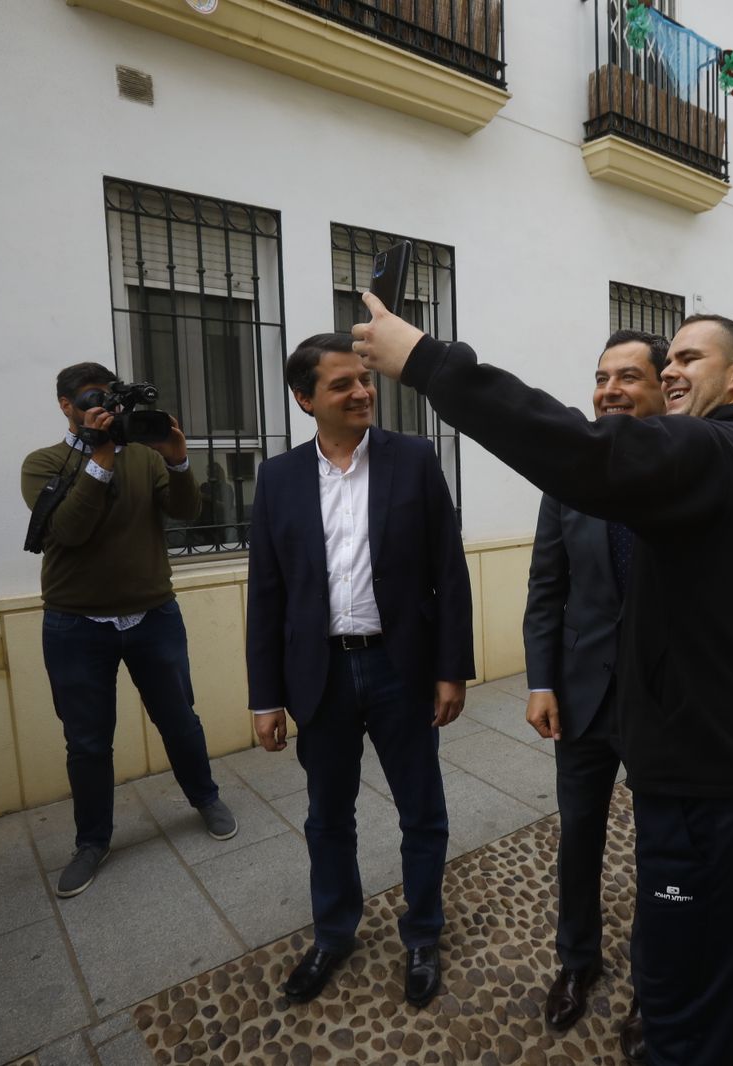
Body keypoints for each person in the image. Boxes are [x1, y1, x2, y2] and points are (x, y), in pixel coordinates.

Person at [354, 301, 733, 1066]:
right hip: (710, 763)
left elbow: (580, 449)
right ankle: (582, 960)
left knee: (680, 1012)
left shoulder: (713, 450)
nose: (671, 371)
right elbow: (563, 581)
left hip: (705, 785)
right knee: (728, 987)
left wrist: (429, 362)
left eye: (686, 360)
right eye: (668, 360)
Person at [245, 333, 473, 1010]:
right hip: (321, 676)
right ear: (304, 399)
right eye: (341, 384)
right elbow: (267, 594)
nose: (362, 392)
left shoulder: (414, 459)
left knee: (422, 812)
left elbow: (449, 571)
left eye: (363, 380)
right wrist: (265, 696)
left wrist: (452, 669)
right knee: (327, 817)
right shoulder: (279, 479)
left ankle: (423, 935)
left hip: (401, 670)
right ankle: (333, 933)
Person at [21, 362, 237, 899]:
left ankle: (206, 798)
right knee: (88, 742)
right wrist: (99, 459)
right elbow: (68, 531)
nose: (104, 408)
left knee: (180, 720)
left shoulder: (143, 456)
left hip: (152, 615)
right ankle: (92, 841)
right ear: (65, 406)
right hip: (75, 624)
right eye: (90, 399)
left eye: (109, 398)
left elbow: (186, 511)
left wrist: (179, 460)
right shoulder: (43, 463)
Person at [523, 330, 668, 1045]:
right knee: (579, 836)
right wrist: (541, 682)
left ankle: (654, 986)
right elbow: (546, 588)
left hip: (663, 700)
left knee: (661, 849)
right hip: (581, 696)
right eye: (603, 377)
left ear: (664, 388)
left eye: (628, 377)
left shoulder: (686, 469)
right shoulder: (569, 475)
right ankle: (577, 962)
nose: (610, 390)